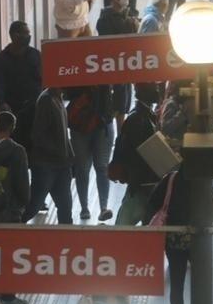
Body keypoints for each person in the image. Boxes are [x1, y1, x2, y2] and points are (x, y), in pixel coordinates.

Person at [144, 165, 213, 304]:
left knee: (177, 285)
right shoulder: (203, 182)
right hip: (198, 241)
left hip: (174, 241)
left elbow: (153, 202)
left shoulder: (171, 179)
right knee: (199, 284)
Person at [112, 82, 163, 225]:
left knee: (126, 226)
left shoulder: (142, 115)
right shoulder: (139, 118)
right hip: (141, 184)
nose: (158, 90)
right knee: (123, 230)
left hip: (142, 184)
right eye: (154, 87)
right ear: (146, 91)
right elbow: (133, 154)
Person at [64, 85, 116, 222]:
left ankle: (101, 207)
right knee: (85, 168)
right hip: (86, 123)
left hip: (97, 122)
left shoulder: (104, 69)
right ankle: (85, 207)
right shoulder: (102, 69)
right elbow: (67, 91)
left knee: (99, 167)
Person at [26, 86, 75, 223]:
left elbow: (63, 134)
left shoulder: (58, 98)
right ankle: (11, 229)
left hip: (61, 165)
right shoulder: (46, 100)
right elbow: (37, 135)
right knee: (34, 205)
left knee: (65, 207)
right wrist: (59, 152)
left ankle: (66, 240)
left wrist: (69, 156)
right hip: (46, 165)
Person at [0, 20, 41, 148]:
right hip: (13, 112)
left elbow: (43, 80)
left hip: (35, 110)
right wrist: (2, 104)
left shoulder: (35, 55)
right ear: (14, 35)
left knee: (35, 147)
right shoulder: (0, 60)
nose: (28, 36)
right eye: (25, 33)